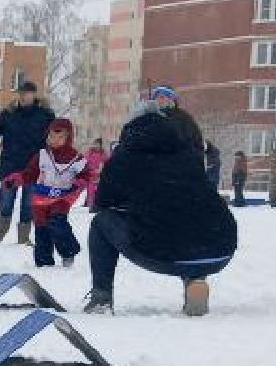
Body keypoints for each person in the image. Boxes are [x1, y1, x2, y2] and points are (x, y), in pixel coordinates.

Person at [85, 94, 239, 316]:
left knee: (101, 224)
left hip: (166, 253)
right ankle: (195, 282)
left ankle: (101, 297)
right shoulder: (188, 154)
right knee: (189, 221)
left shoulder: (125, 157)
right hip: (219, 248)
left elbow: (104, 203)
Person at [3, 118, 95, 269]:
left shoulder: (76, 158)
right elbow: (30, 173)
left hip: (63, 197)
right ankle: (43, 262)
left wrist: (80, 182)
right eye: (51, 136)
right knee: (41, 228)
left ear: (68, 138)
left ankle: (68, 251)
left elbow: (87, 174)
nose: (54, 140)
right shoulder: (42, 155)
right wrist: (16, 179)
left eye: (60, 137)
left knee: (57, 221)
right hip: (41, 196)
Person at [0, 80, 56, 245]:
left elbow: (54, 138)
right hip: (11, 166)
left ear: (34, 94)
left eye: (26, 93)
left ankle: (23, 236)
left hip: (33, 166)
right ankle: (1, 229)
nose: (22, 96)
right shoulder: (9, 113)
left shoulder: (45, 115)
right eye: (20, 93)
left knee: (28, 204)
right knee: (6, 201)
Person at [83, 137, 109, 208]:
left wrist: (102, 169)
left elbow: (106, 164)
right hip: (91, 176)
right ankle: (90, 205)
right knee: (91, 192)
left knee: (99, 191)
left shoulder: (103, 154)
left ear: (100, 145)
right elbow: (85, 163)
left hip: (100, 177)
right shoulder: (89, 153)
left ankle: (98, 205)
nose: (96, 146)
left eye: (98, 144)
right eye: (95, 144)